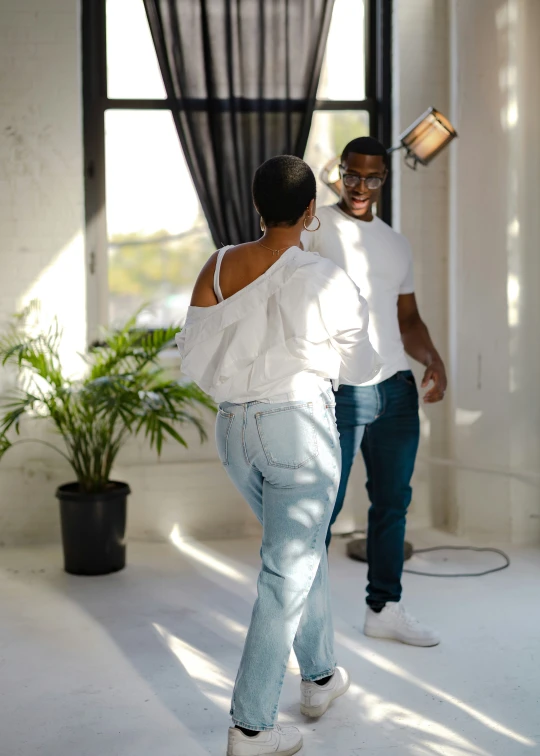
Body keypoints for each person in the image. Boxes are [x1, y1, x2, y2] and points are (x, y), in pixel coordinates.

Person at [176, 155, 381, 756]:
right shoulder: (326, 278)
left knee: (299, 552)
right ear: (312, 211)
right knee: (285, 573)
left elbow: (193, 355)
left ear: (258, 207)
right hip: (297, 432)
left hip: (234, 431)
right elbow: (363, 368)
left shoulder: (216, 267)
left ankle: (319, 678)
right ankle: (251, 727)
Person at [302, 136, 447, 648]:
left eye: (373, 178)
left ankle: (384, 608)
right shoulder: (314, 226)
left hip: (397, 388)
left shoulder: (395, 242)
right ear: (339, 172)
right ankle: (302, 621)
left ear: (385, 179)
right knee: (324, 504)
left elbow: (406, 317)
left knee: (393, 503)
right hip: (342, 386)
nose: (361, 186)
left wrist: (431, 358)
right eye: (352, 175)